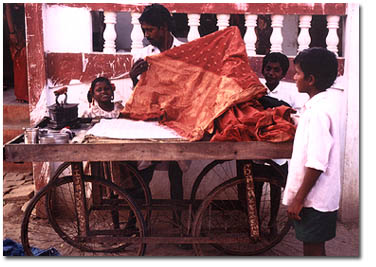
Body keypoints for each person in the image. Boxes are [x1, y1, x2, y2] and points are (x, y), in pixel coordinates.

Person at [127, 4, 187, 225]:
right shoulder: (143, 55)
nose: (146, 35)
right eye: (144, 30)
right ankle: (136, 221)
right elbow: (137, 95)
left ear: (163, 28)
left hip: (177, 120)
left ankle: (178, 221)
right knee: (144, 169)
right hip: (150, 120)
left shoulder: (183, 53)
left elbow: (192, 87)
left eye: (150, 30)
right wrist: (134, 78)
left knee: (176, 171)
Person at [282, 47, 341, 256]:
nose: (294, 77)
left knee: (313, 251)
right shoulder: (322, 104)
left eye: (297, 73)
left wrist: (299, 199)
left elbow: (317, 162)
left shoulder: (317, 112)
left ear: (310, 80)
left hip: (314, 198)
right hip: (318, 196)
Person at [253, 52, 308, 237]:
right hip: (257, 147)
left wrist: (277, 108)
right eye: (268, 68)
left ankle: (272, 222)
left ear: (283, 73)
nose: (271, 73)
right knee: (255, 187)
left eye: (276, 70)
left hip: (279, 150)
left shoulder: (290, 92)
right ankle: (255, 222)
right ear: (263, 69)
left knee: (276, 186)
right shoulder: (256, 88)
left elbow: (295, 115)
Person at [4, 3, 29, 103]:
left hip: (25, 26)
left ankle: (25, 93)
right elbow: (8, 9)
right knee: (20, 59)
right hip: (16, 29)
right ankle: (21, 94)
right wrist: (12, 32)